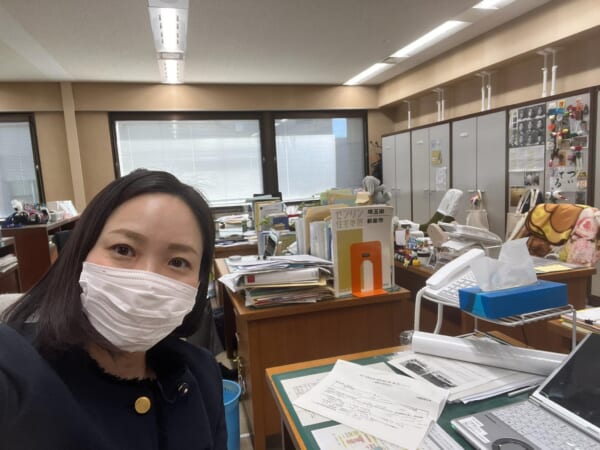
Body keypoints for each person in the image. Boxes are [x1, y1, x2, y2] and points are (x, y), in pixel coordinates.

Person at [0, 169, 227, 449]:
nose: (147, 282)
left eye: (178, 262)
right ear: (82, 253)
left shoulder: (203, 374)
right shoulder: (17, 371)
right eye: (123, 249)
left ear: (199, 283)